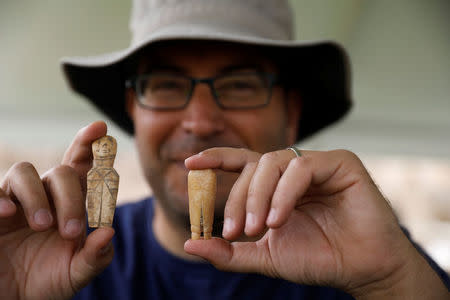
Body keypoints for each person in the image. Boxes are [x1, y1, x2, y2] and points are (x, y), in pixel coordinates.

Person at [0, 0, 448, 299]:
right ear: (134, 109)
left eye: (238, 85)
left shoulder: (370, 262)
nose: (199, 121)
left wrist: (394, 282)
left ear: (290, 113)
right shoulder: (61, 259)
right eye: (167, 84)